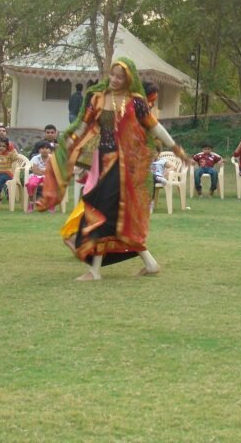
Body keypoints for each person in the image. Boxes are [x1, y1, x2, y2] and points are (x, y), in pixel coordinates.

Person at [36, 57, 189, 281]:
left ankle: (95, 271)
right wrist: (67, 144)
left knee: (99, 210)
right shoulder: (97, 99)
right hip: (103, 162)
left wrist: (176, 148)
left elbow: (154, 127)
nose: (115, 80)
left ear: (129, 79)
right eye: (113, 75)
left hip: (125, 165)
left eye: (121, 76)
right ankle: (150, 263)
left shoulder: (136, 102)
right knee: (115, 215)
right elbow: (82, 125)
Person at [26, 141, 52, 212]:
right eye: (42, 148)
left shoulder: (53, 158)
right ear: (39, 150)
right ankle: (31, 202)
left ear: (50, 150)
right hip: (36, 176)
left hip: (48, 177)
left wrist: (42, 170)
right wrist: (45, 171)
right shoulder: (35, 158)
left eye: (47, 148)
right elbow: (35, 171)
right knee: (31, 184)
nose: (44, 150)